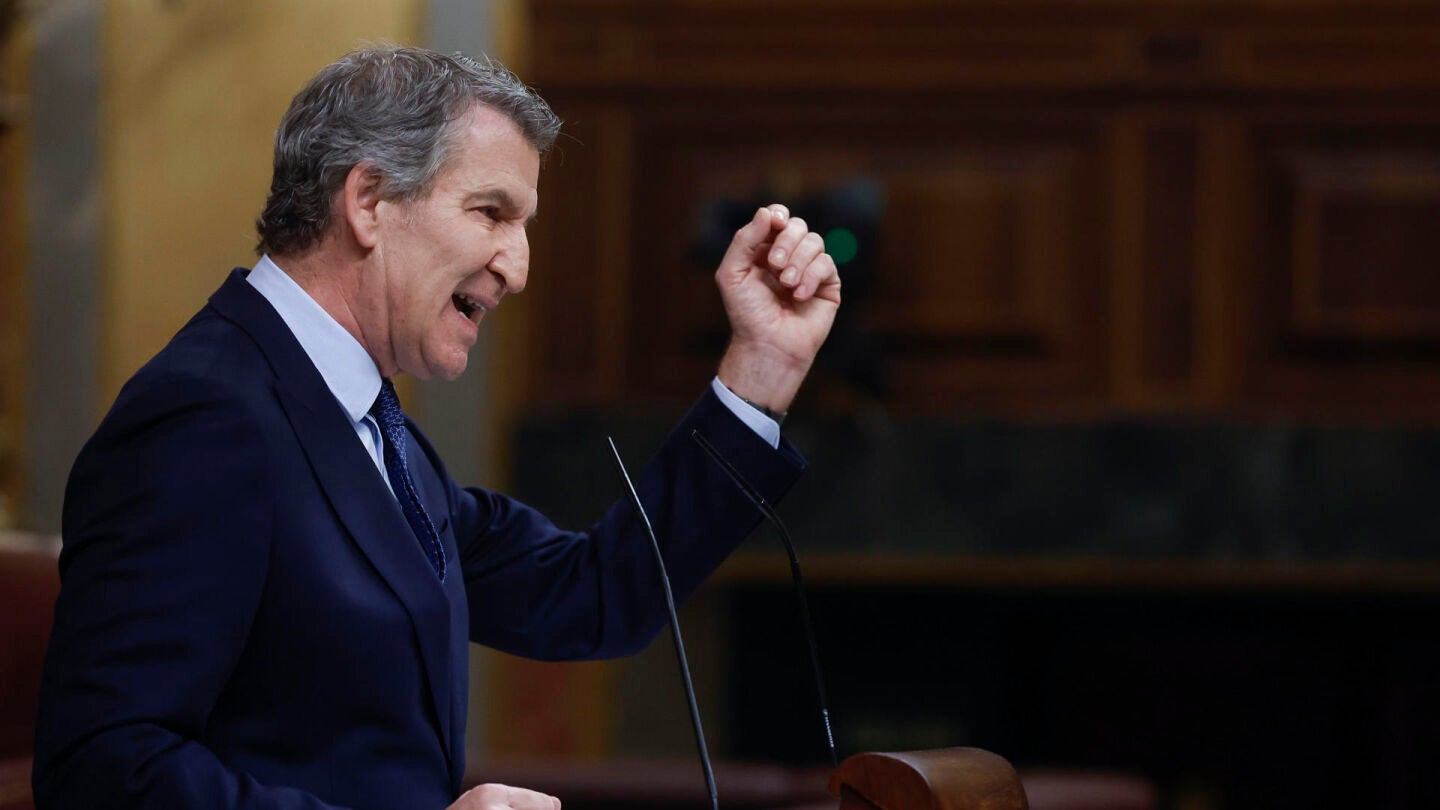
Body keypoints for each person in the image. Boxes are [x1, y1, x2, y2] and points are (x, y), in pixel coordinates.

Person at [32, 46, 840, 810]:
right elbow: (104, 765)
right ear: (369, 201)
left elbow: (593, 594)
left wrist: (762, 365)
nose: (518, 268)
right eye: (491, 212)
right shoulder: (203, 415)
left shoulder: (375, 427)